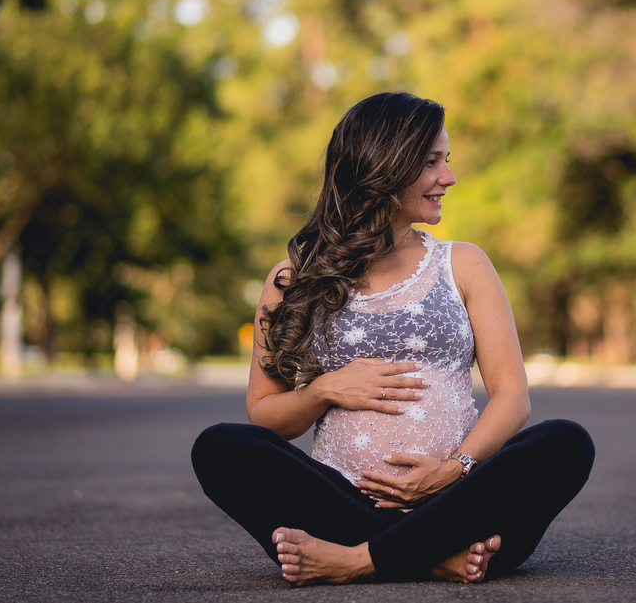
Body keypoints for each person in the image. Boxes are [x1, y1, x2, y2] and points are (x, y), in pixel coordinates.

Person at [192, 92, 594, 585]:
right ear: (384, 167)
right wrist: (323, 390)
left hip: (458, 500)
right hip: (343, 501)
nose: (448, 177)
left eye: (446, 160)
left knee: (564, 442)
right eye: (431, 162)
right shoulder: (292, 279)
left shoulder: (464, 263)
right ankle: (426, 557)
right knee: (220, 446)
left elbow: (513, 396)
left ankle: (359, 560)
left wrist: (452, 469)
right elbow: (264, 415)